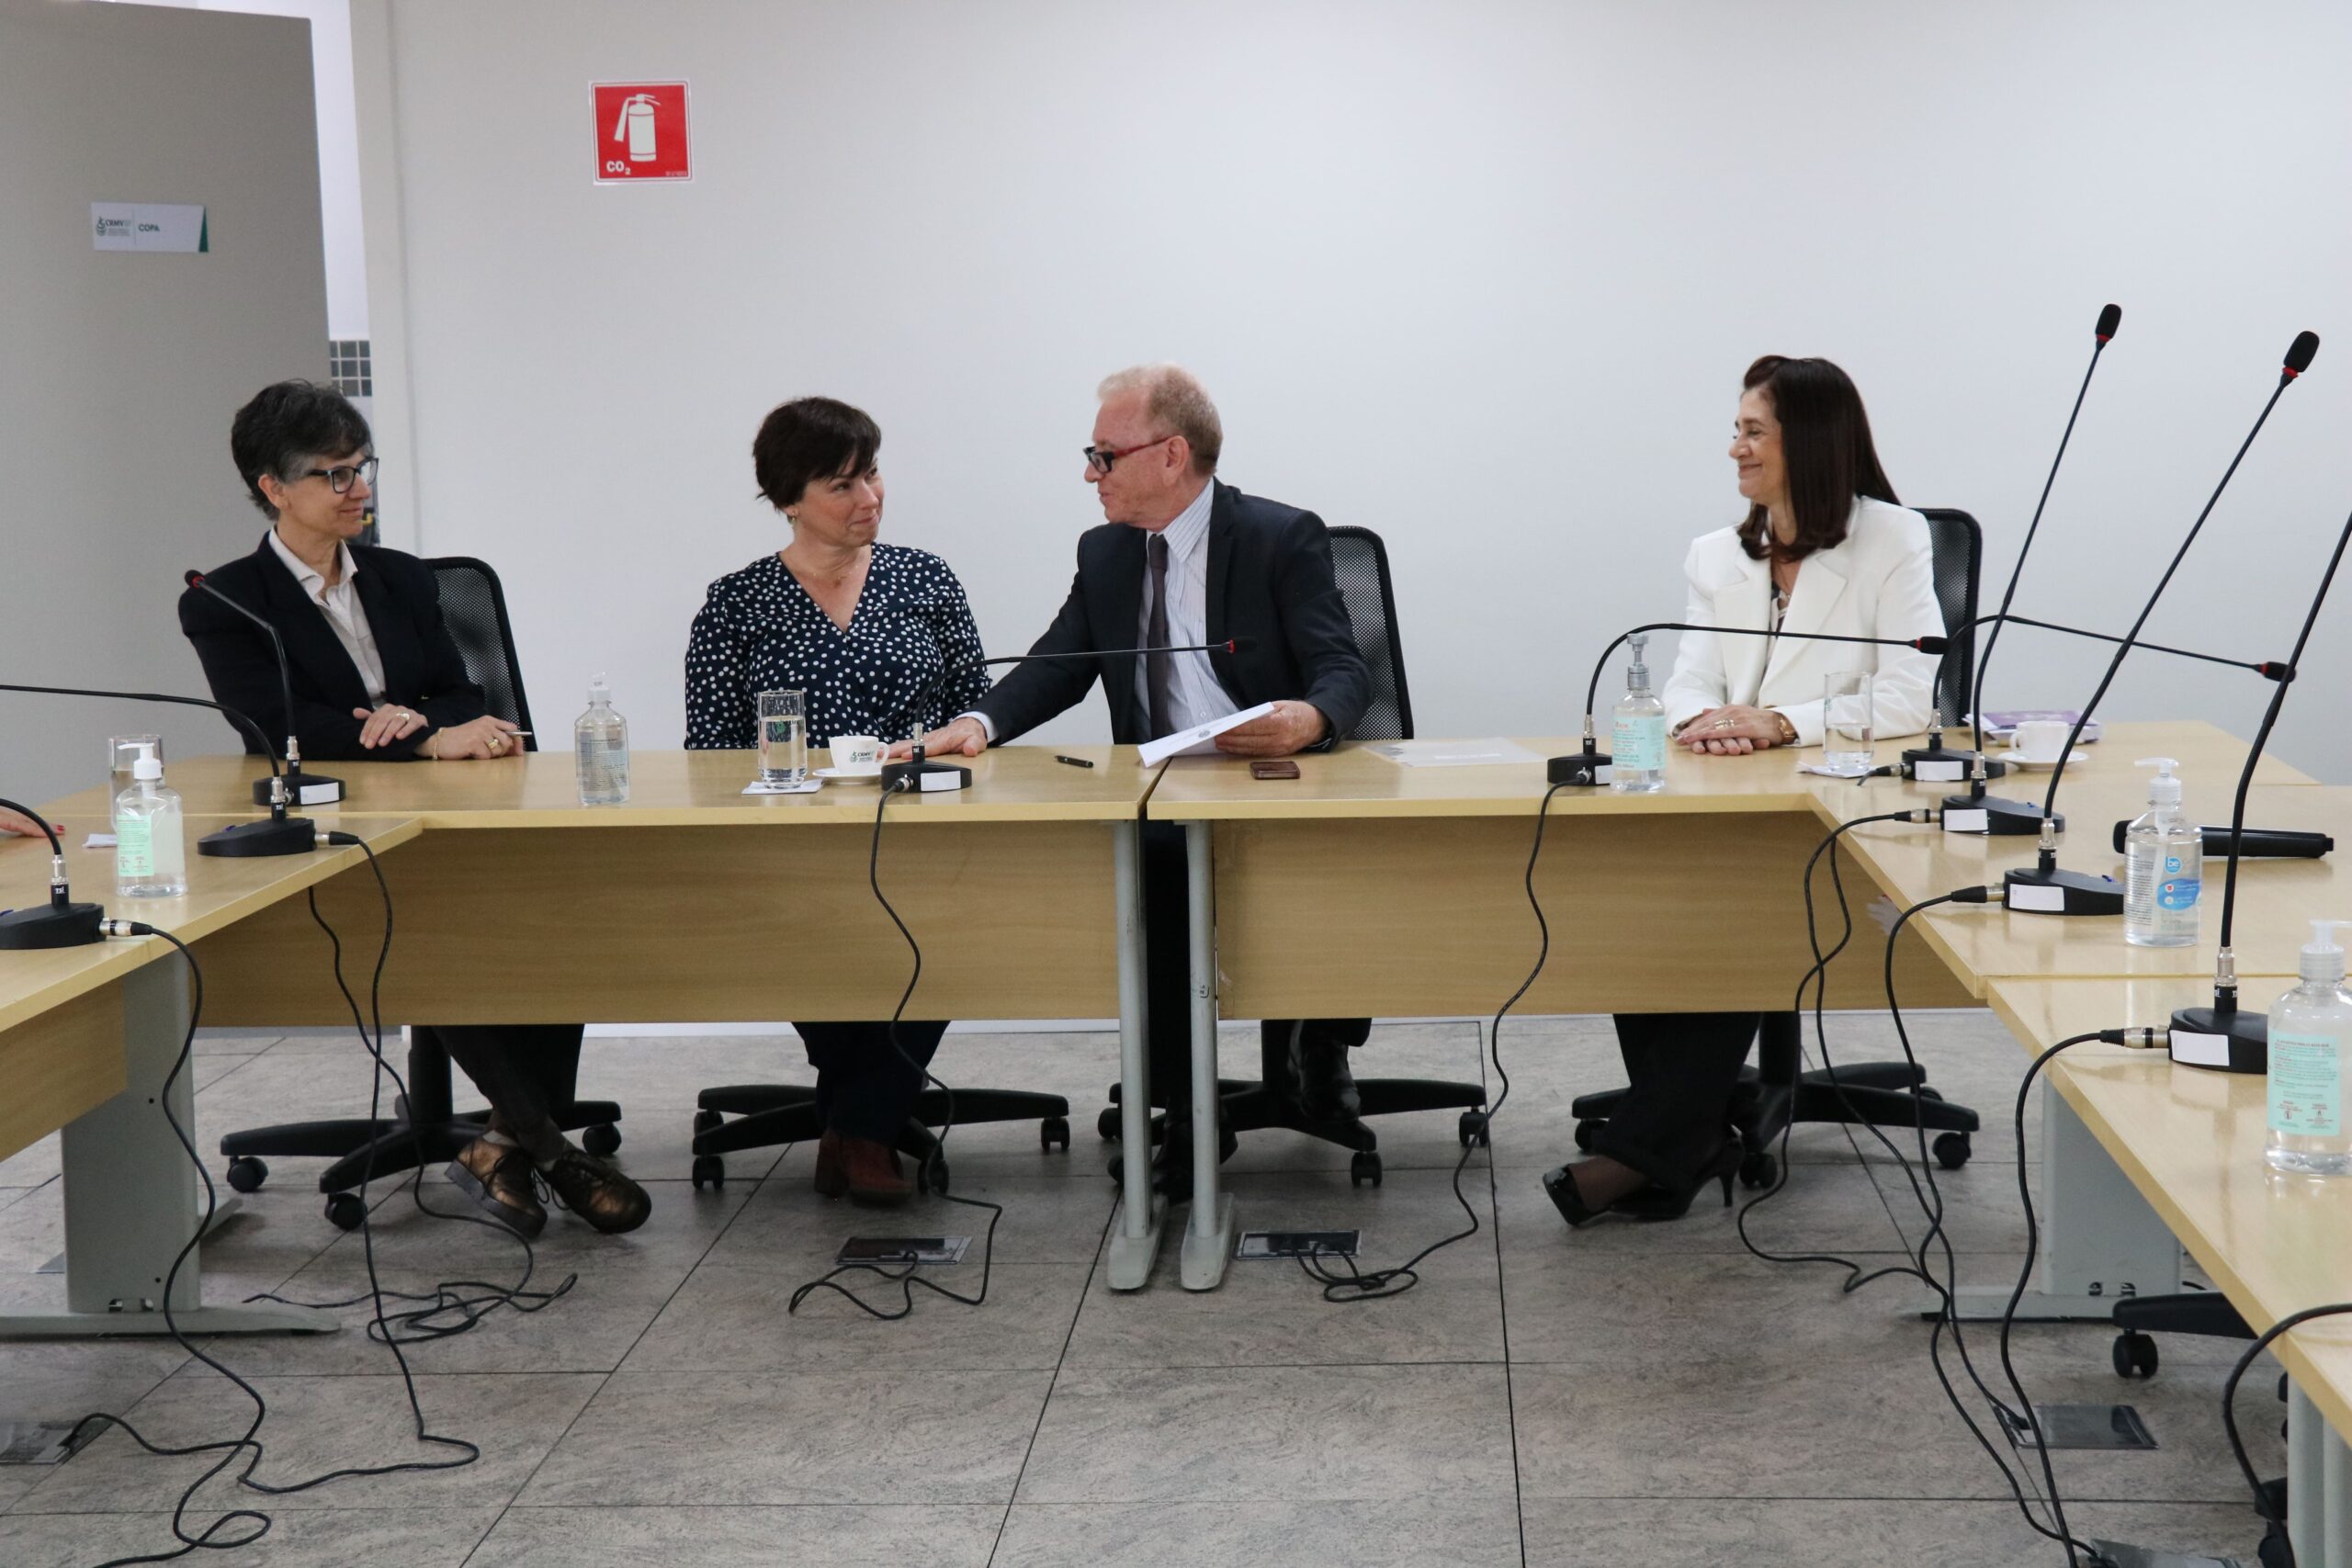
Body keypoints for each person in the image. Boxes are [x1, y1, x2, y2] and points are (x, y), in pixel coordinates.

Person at [179, 380, 649, 1238]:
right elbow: (274, 725)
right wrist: (418, 737)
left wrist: (422, 723)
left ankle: (500, 1141)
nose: (358, 488)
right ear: (273, 487)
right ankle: (546, 1145)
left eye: (363, 468)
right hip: (335, 832)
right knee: (420, 927)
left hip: (447, 816)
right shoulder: (225, 600)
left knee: (554, 908)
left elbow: (462, 690)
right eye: (333, 474)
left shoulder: (400, 576)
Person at [901, 365, 1372, 1185]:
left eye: (1105, 455)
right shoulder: (1106, 551)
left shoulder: (1279, 536)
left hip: (1270, 783)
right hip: (1162, 793)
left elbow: (1344, 669)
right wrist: (978, 724)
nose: (1092, 474)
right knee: (1147, 882)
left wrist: (1308, 717)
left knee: (1314, 875)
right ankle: (1189, 1115)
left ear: (1171, 454)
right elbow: (1060, 661)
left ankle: (1318, 1041)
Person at [1545, 354, 1941, 1226]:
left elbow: (1913, 696)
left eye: (1754, 431)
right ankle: (1677, 1142)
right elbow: (1688, 680)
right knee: (1643, 904)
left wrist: (1780, 722)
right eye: (1737, 430)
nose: (1735, 448)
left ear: (1812, 441)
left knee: (1726, 911)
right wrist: (1710, 720)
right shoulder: (1717, 554)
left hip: (1838, 810)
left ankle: (1651, 1151)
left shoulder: (1893, 538)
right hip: (1726, 802)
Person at [684, 396, 990, 1206]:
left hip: (919, 823)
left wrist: (954, 741)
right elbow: (708, 749)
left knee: (951, 922)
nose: (870, 498)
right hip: (793, 839)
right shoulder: (737, 602)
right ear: (789, 498)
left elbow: (975, 709)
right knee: (810, 927)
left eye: (873, 475)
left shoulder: (924, 578)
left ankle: (856, 1125)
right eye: (842, 485)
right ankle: (868, 1129)